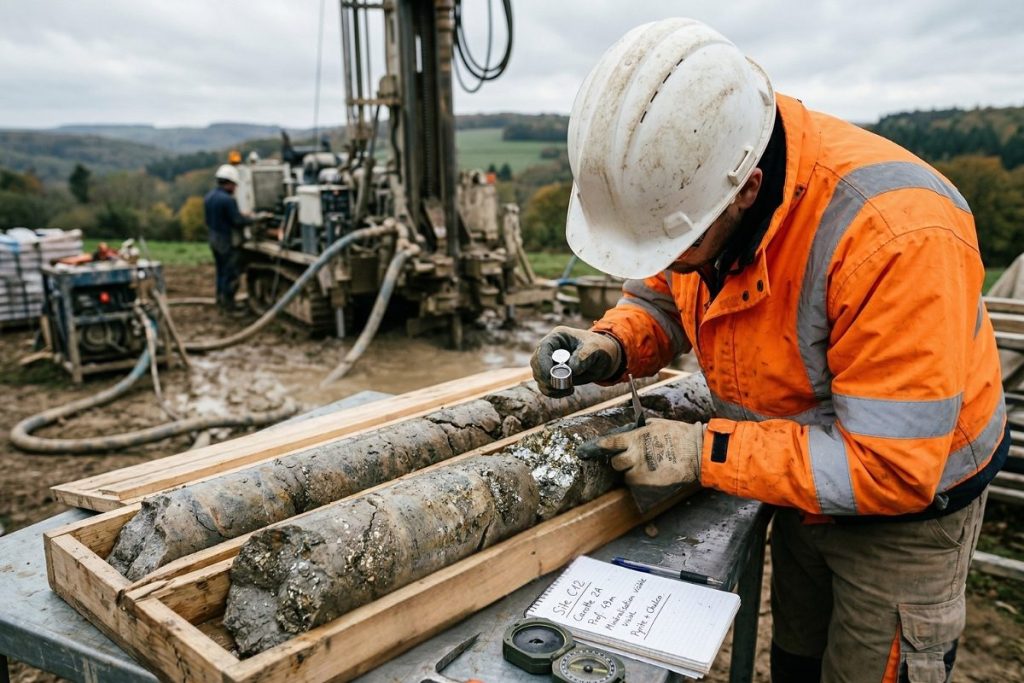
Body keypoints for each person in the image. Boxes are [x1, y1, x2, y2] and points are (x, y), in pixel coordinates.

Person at [531, 18, 1007, 683]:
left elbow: (890, 469)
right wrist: (611, 344)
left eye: (674, 245)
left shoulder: (895, 237)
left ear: (747, 190)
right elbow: (665, 292)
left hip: (907, 517)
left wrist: (705, 453)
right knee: (796, 660)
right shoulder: (703, 188)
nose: (668, 262)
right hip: (794, 473)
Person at [204, 164, 252, 313]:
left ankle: (220, 300)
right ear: (230, 183)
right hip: (225, 241)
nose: (235, 188)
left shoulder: (209, 197)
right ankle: (229, 306)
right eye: (235, 185)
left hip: (213, 239)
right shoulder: (228, 200)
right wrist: (254, 219)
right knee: (230, 273)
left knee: (220, 272)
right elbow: (236, 221)